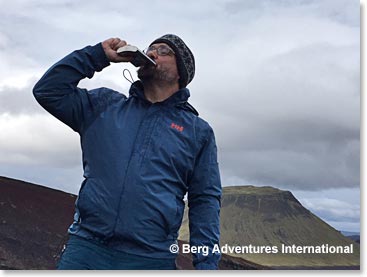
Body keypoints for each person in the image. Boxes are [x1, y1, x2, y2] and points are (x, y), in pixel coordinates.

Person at [33, 34, 222, 270]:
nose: (152, 53)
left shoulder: (197, 132)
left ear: (181, 73)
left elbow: (204, 200)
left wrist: (207, 266)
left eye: (164, 51)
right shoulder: (104, 105)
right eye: (149, 49)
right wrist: (97, 55)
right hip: (87, 249)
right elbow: (48, 91)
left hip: (152, 258)